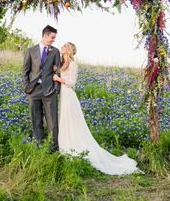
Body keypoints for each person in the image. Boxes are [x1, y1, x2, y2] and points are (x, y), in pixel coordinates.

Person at [53, 42, 141, 175]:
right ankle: (66, 145)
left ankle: (74, 147)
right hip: (63, 97)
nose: (62, 47)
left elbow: (72, 83)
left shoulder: (72, 63)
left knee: (72, 123)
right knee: (65, 122)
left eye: (65, 46)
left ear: (69, 50)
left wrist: (58, 79)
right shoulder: (62, 62)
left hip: (69, 96)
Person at [23, 25, 61, 151]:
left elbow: (58, 71)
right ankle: (39, 146)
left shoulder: (55, 51)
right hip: (33, 91)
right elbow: (25, 71)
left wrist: (56, 89)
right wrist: (27, 88)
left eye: (54, 38)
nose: (53, 40)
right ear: (45, 35)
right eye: (52, 37)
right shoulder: (30, 51)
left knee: (52, 122)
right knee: (36, 120)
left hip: (49, 91)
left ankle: (53, 147)